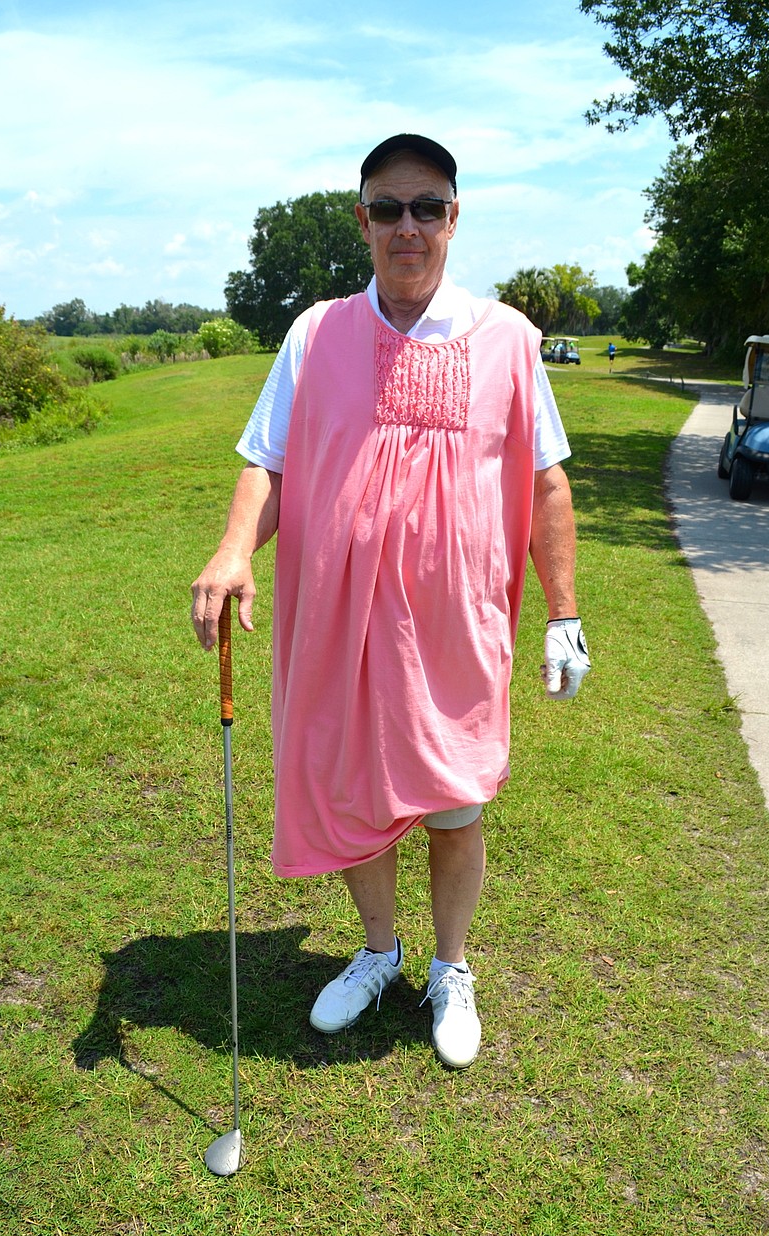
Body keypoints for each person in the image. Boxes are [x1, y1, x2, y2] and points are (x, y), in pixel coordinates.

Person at [191, 133, 590, 1069]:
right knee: (350, 791)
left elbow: (548, 484)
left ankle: (451, 968)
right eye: (386, 208)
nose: (405, 226)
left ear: (454, 217)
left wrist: (562, 611)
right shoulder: (315, 332)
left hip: (454, 626)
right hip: (334, 619)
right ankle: (379, 951)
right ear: (362, 219)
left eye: (425, 207)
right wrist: (232, 549)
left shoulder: (507, 339)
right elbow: (268, 461)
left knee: (454, 802)